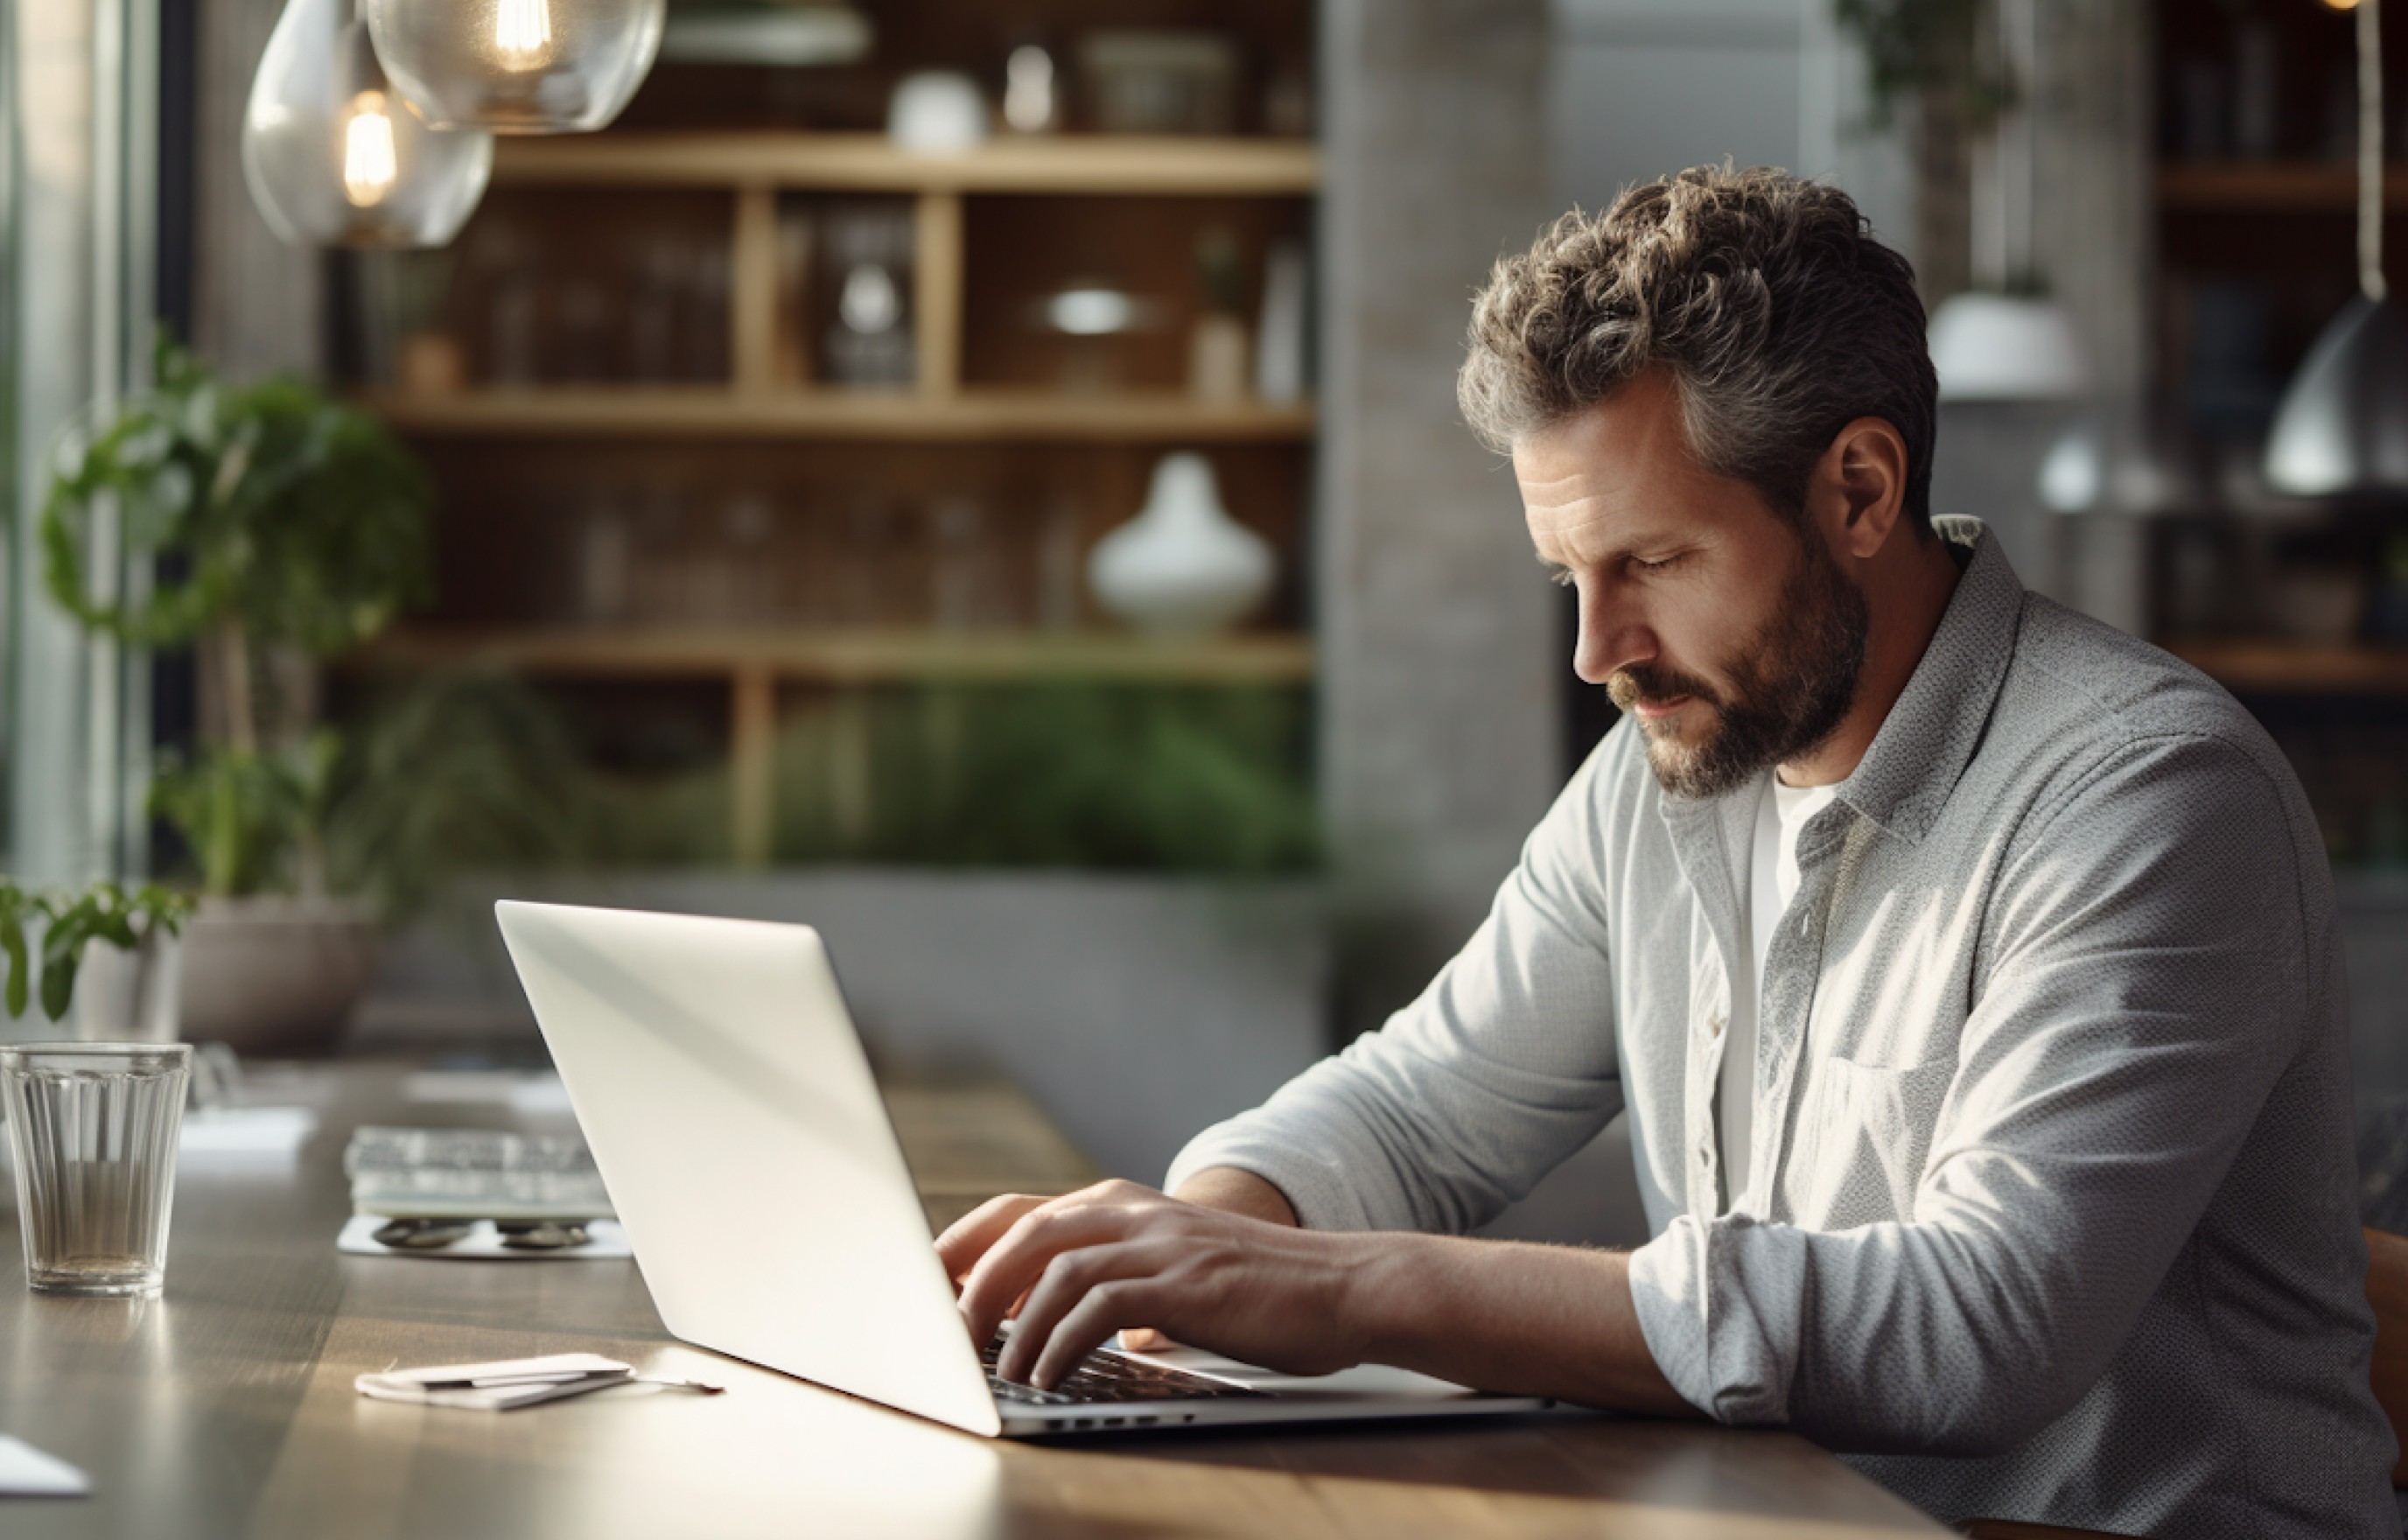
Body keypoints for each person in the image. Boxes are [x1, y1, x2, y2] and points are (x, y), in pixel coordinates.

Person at [935, 164, 2398, 1537]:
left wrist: (1339, 1289)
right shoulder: (1675, 767)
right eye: (1569, 575)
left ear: (1861, 489)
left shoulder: (2146, 796)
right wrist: (1186, 1257)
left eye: (1652, 560)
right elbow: (1418, 1114)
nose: (1597, 651)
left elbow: (1977, 1328)